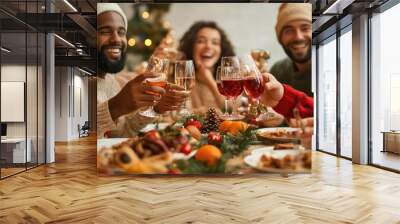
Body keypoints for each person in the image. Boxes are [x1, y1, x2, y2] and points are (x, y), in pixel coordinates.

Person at [97, 3, 188, 138]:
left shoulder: (110, 81)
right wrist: (115, 107)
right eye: (105, 31)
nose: (116, 39)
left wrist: (155, 109)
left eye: (121, 32)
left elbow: (123, 132)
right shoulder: (72, 81)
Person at [178, 21, 235, 114]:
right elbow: (177, 116)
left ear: (222, 49)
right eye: (201, 41)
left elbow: (231, 112)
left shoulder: (231, 81)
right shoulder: (180, 79)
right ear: (191, 47)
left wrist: (210, 82)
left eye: (215, 43)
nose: (208, 46)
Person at [270, 3, 312, 97]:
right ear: (280, 38)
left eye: (305, 28)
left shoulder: (332, 70)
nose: (298, 37)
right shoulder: (278, 71)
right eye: (289, 31)